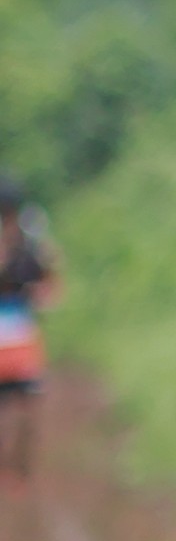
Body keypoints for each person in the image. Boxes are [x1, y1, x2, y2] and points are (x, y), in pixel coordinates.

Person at [0, 172, 62, 479]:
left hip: (20, 335)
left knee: (27, 407)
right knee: (25, 408)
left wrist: (40, 294)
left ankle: (17, 469)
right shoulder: (31, 241)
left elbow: (49, 283)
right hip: (20, 336)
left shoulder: (31, 242)